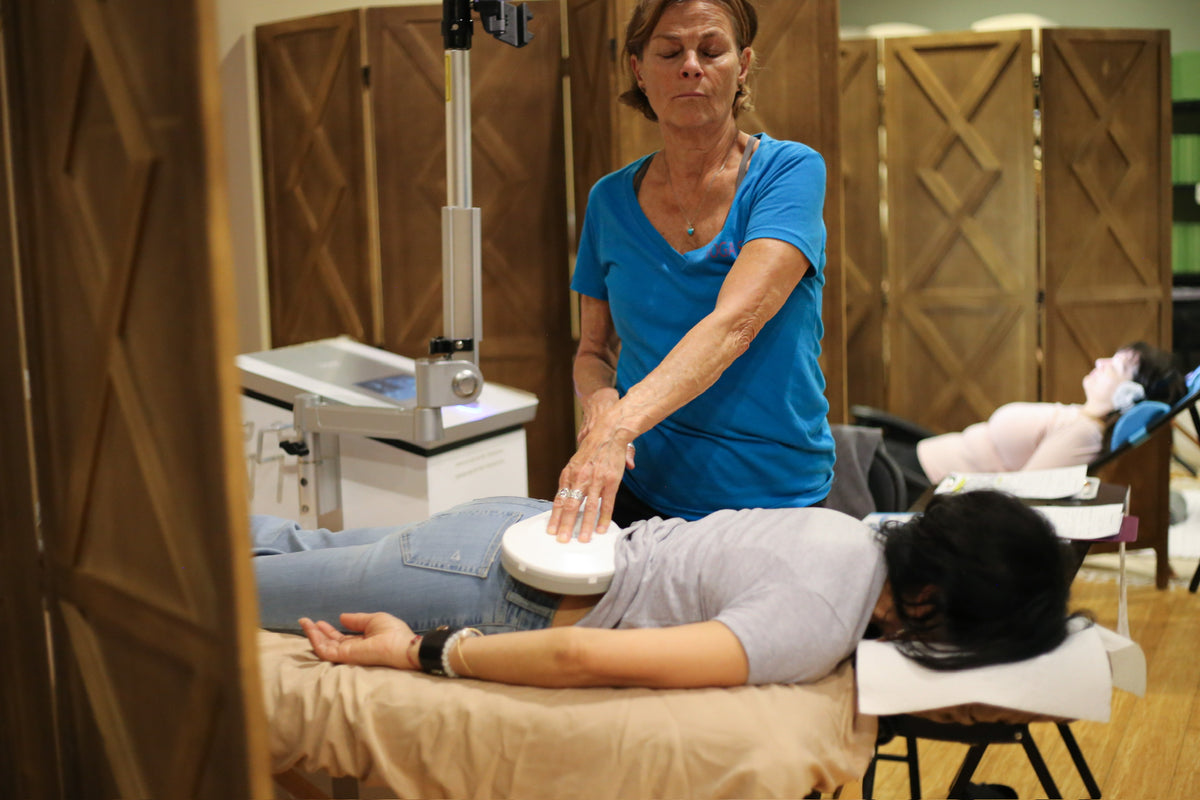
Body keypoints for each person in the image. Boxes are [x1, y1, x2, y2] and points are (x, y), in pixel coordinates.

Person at [252, 490, 1079, 689]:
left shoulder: (857, 530)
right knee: (223, 592)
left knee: (284, 544)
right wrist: (421, 652)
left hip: (525, 525)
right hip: (495, 593)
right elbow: (581, 656)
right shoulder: (820, 619)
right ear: (936, 602)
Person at [550, 0, 833, 541]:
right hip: (642, 489)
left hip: (775, 496)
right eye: (669, 51)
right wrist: (601, 401)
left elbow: (735, 325)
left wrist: (617, 426)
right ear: (638, 69)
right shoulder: (609, 200)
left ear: (742, 66)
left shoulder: (789, 172)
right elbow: (593, 352)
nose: (690, 66)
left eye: (711, 50)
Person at [904, 342, 1186, 487]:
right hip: (919, 461)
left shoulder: (1083, 434)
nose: (1101, 362)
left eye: (1116, 367)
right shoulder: (1080, 419)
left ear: (1129, 395)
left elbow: (1025, 493)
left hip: (920, 480)